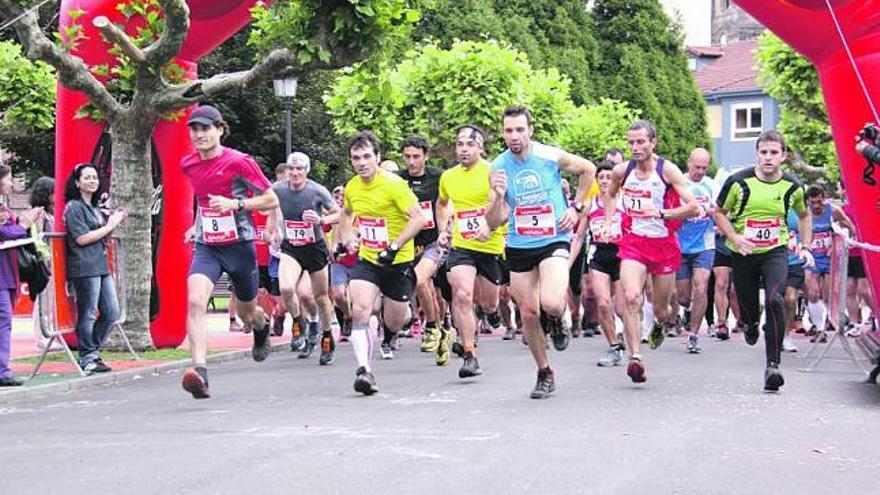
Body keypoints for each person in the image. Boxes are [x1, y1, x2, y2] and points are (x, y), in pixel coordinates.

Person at [486, 105, 595, 399]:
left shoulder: (549, 156)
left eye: (520, 129)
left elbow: (589, 170)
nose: (514, 136)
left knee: (551, 302)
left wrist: (577, 207)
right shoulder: (497, 167)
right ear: (502, 133)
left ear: (530, 130)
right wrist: (497, 197)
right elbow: (492, 221)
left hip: (553, 239)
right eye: (508, 130)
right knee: (529, 313)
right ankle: (544, 372)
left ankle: (559, 319)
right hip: (519, 245)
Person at [179, 105, 279, 399]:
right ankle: (200, 372)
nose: (200, 135)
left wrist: (236, 205)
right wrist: (197, 225)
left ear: (220, 130)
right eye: (195, 129)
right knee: (196, 300)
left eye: (206, 129)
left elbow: (270, 199)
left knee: (247, 312)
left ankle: (260, 325)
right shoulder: (189, 163)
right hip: (208, 246)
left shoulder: (240, 162)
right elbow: (203, 201)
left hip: (240, 246)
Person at [715, 130, 813, 392]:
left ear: (783, 156)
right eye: (763, 152)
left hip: (775, 251)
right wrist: (734, 237)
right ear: (757, 153)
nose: (768, 158)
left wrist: (805, 245)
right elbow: (720, 212)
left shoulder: (793, 186)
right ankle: (750, 323)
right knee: (747, 303)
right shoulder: (738, 181)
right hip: (744, 252)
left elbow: (804, 216)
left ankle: (773, 365)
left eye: (774, 153)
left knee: (775, 301)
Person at [605, 120, 700, 383]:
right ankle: (636, 357)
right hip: (633, 242)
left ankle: (660, 323)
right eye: (631, 142)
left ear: (653, 142)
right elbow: (610, 196)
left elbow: (694, 208)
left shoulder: (667, 171)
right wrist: (610, 220)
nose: (635, 147)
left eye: (641, 142)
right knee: (632, 296)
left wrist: (661, 213)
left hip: (663, 245)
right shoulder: (621, 171)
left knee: (661, 309)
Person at [335, 131, 425, 395]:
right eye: (355, 158)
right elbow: (347, 213)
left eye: (366, 157)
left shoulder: (394, 185)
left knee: (395, 321)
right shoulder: (352, 186)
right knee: (361, 309)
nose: (361, 163)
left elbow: (418, 218)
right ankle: (364, 371)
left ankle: (405, 317)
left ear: (378, 157)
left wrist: (395, 246)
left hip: (398, 262)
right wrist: (346, 238)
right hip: (369, 259)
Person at [435, 125, 506, 374]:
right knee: (462, 295)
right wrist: (443, 230)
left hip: (490, 245)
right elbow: (442, 204)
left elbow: (504, 208)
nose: (463, 149)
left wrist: (490, 222)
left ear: (480, 148)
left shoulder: (493, 171)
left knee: (488, 302)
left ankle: (493, 311)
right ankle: (469, 353)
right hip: (462, 245)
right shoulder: (448, 177)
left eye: (469, 144)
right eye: (459, 144)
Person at [269, 151, 340, 365]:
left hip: (315, 248)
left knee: (316, 297)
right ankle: (299, 324)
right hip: (291, 246)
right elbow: (271, 208)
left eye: (299, 169)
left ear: (306, 171)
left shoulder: (316, 191)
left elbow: (339, 214)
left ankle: (325, 334)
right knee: (287, 289)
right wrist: (272, 229)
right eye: (291, 168)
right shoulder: (278, 189)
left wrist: (321, 219)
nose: (295, 173)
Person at [62, 163, 125, 374]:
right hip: (84, 266)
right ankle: (87, 356)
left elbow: (99, 235)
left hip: (101, 264)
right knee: (88, 313)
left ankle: (92, 351)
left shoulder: (95, 208)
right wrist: (110, 225)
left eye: (95, 178)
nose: (92, 181)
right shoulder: (73, 207)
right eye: (87, 178)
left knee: (112, 312)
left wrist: (112, 223)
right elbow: (81, 238)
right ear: (77, 183)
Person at [395, 136, 448, 357]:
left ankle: (432, 326)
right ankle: (438, 327)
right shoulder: (396, 180)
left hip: (433, 242)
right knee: (423, 287)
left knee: (421, 280)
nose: (412, 161)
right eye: (407, 156)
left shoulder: (439, 177)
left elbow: (448, 203)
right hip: (408, 243)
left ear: (426, 156)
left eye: (416, 156)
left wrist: (447, 229)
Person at [573, 159, 626, 366]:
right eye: (601, 177)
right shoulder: (591, 205)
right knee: (603, 303)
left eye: (609, 177)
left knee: (622, 308)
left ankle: (626, 334)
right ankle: (614, 346)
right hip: (598, 254)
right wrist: (567, 264)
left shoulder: (625, 201)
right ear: (596, 180)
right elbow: (578, 237)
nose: (605, 181)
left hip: (622, 255)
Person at [0, 164, 42, 386]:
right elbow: (5, 233)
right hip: (2, 274)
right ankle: (2, 371)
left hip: (8, 271)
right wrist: (24, 224)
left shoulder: (4, 206)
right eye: (8, 179)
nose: (11, 183)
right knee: (3, 320)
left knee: (5, 320)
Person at [674, 148, 719, 353]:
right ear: (689, 163)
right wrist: (685, 212)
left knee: (701, 288)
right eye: (697, 167)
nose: (700, 171)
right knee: (683, 296)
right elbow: (670, 211)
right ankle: (688, 310)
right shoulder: (679, 183)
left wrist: (712, 213)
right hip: (680, 246)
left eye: (704, 167)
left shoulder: (712, 186)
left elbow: (721, 212)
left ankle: (693, 335)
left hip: (704, 245)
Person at [802, 185, 855, 341]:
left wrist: (843, 244)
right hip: (812, 258)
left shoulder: (832, 211)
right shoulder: (804, 214)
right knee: (812, 293)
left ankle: (824, 324)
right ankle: (819, 328)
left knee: (828, 294)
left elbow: (850, 226)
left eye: (819, 202)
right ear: (808, 202)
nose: (817, 206)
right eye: (813, 203)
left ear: (823, 199)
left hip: (830, 258)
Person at [29, 176, 61, 351]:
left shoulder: (50, 212)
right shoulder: (40, 214)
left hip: (52, 258)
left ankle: (50, 332)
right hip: (45, 259)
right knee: (44, 299)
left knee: (51, 299)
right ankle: (42, 336)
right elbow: (38, 237)